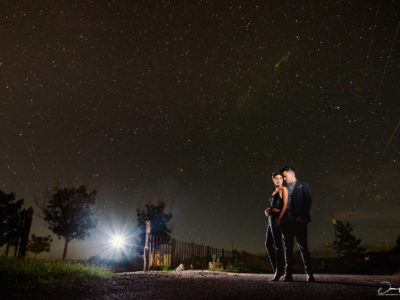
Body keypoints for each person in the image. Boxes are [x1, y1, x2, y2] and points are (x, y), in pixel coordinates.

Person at [280, 166, 315, 282]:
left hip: (299, 222)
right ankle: (288, 274)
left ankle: (309, 274)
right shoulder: (283, 189)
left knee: (303, 247)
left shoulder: (304, 185)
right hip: (286, 223)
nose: (284, 179)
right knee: (288, 249)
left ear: (292, 174)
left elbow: (308, 201)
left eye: (285, 176)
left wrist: (303, 217)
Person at [264, 171, 288, 281]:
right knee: (268, 244)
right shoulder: (274, 191)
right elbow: (272, 205)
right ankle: (278, 269)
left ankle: (279, 271)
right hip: (270, 218)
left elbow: (285, 205)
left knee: (278, 244)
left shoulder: (284, 189)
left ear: (282, 179)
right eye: (276, 178)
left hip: (277, 218)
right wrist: (267, 211)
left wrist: (279, 218)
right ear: (273, 179)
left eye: (280, 178)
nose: (278, 180)